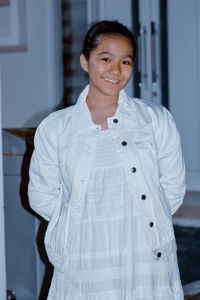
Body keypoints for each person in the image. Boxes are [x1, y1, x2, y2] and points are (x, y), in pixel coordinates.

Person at [28, 20, 186, 300]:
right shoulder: (56, 128)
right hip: (85, 259)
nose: (116, 70)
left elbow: (171, 189)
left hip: (145, 256)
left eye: (125, 61)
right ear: (85, 62)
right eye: (105, 59)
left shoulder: (154, 119)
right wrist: (85, 222)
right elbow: (41, 195)